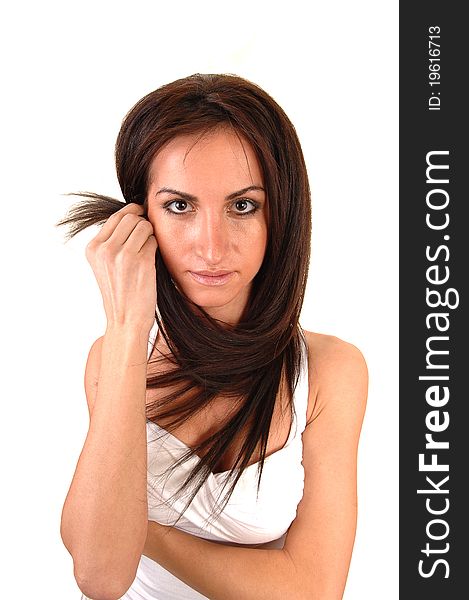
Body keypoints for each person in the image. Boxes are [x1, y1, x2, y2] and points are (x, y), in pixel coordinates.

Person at [58, 73, 368, 600]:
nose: (211, 246)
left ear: (282, 213)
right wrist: (128, 328)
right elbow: (100, 574)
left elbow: (313, 589)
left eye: (242, 205)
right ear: (140, 216)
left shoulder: (329, 372)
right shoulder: (113, 356)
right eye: (180, 206)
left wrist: (143, 532)